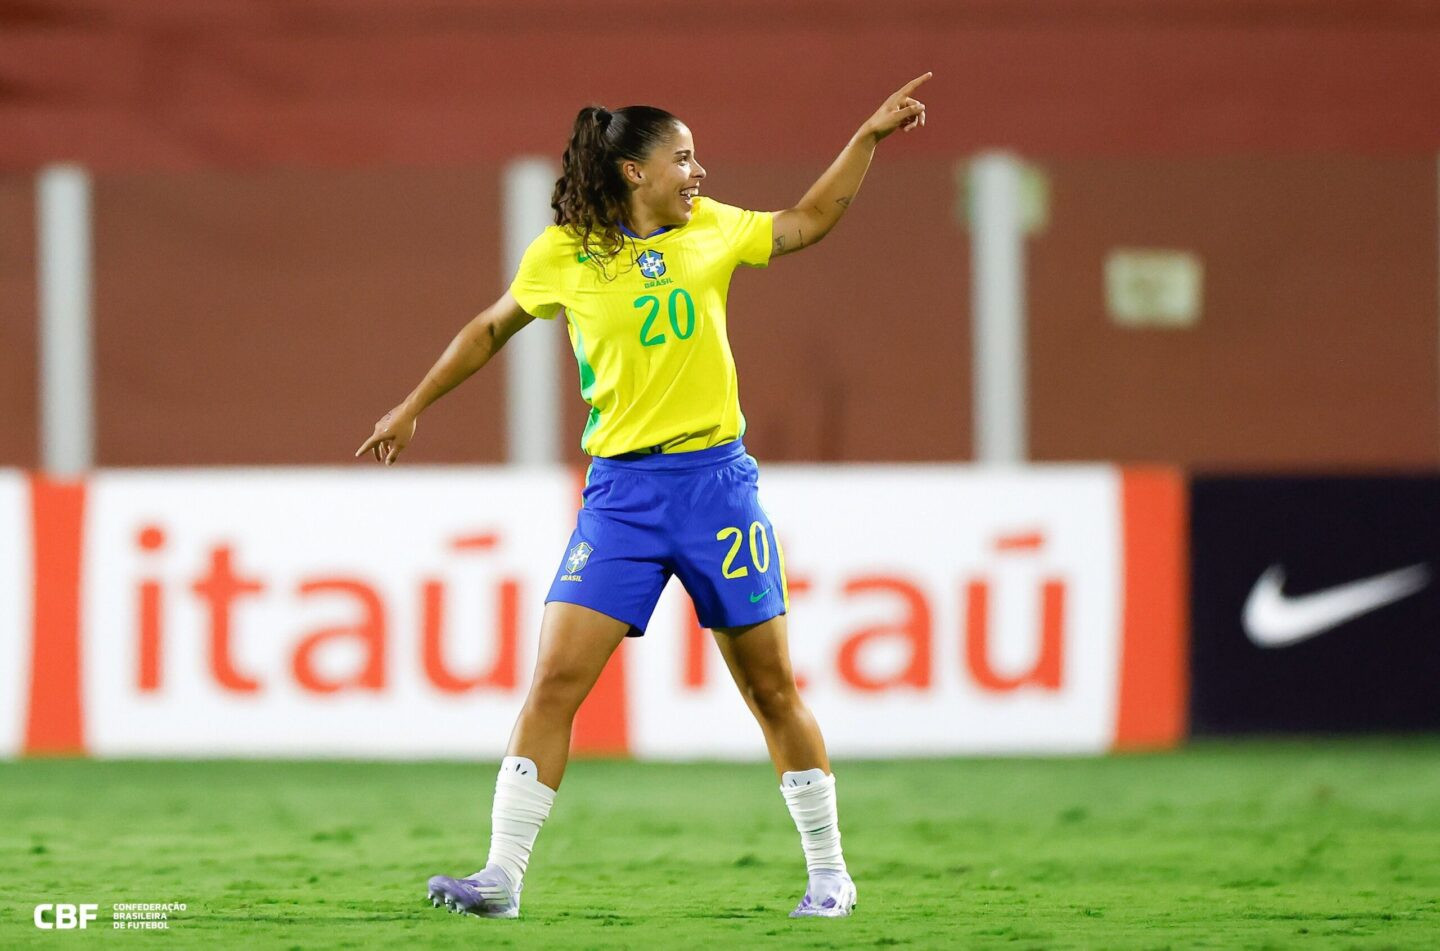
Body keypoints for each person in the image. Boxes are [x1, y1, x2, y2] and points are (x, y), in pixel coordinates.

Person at [356, 73, 930, 921]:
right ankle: (500, 878)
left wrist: (868, 137)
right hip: (621, 495)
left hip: (717, 489)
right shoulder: (566, 253)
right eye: (683, 157)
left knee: (772, 689)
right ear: (634, 171)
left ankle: (830, 874)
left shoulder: (713, 229)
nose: (698, 171)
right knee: (554, 680)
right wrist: (411, 407)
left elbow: (808, 220)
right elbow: (488, 328)